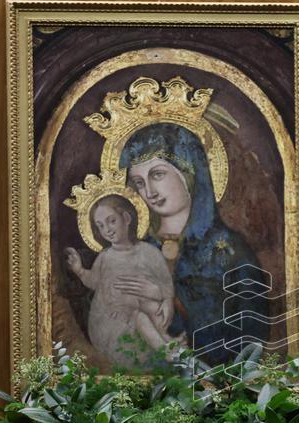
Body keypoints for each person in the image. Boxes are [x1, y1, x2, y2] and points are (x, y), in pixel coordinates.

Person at [117, 122, 270, 367]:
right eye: (139, 182)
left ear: (189, 173)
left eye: (157, 175)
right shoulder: (135, 248)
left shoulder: (230, 251)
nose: (149, 192)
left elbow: (252, 328)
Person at [64, 194, 177, 367]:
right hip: (110, 322)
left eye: (111, 221)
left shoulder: (149, 253)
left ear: (126, 218)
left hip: (141, 314)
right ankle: (166, 350)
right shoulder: (105, 257)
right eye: (100, 226)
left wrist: (167, 300)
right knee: (139, 316)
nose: (107, 229)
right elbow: (93, 282)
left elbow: (165, 283)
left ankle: (166, 340)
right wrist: (79, 270)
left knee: (151, 306)